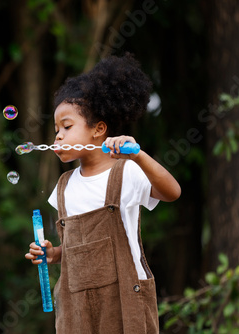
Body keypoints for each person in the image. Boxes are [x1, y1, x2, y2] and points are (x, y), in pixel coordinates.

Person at [24, 54, 181, 334]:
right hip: (77, 306)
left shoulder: (127, 172)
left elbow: (172, 192)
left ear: (99, 130)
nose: (58, 136)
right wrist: (53, 253)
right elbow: (78, 250)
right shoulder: (63, 186)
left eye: (67, 127)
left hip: (124, 297)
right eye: (56, 130)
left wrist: (139, 156)